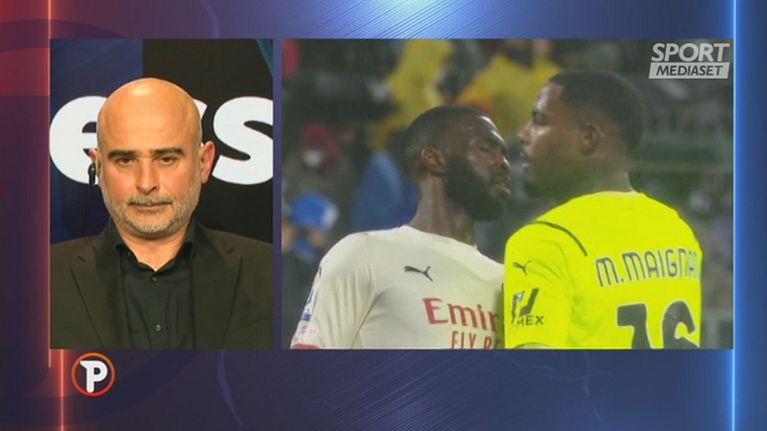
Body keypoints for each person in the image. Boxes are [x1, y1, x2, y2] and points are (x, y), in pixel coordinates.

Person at [51, 78, 273, 349]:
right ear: (98, 166)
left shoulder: (269, 272)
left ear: (204, 163)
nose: (146, 183)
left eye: (166, 159)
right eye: (125, 160)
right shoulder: (35, 283)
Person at [503, 70, 702, 349]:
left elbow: (537, 369)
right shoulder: (677, 230)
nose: (523, 134)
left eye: (539, 121)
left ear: (588, 138)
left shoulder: (546, 241)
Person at [291, 105, 512, 349]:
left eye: (504, 153)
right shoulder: (364, 254)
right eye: (486, 149)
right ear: (434, 159)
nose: (504, 163)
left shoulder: (506, 282)